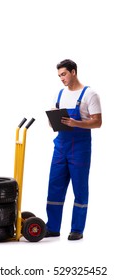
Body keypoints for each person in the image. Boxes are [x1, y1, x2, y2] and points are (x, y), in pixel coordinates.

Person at [45, 59, 102, 240]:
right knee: (55, 187)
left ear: (73, 72)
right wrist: (52, 119)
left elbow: (98, 122)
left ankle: (77, 229)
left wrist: (75, 122)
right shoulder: (59, 94)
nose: (61, 78)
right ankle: (52, 227)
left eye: (64, 74)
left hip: (80, 148)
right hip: (60, 147)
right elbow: (53, 122)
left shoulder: (89, 94)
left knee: (80, 188)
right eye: (59, 75)